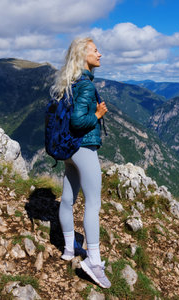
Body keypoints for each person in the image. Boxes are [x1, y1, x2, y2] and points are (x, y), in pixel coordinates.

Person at [50, 37, 111, 289]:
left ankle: (67, 248)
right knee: (93, 204)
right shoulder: (85, 85)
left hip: (69, 150)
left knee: (67, 198)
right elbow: (77, 122)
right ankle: (93, 262)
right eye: (96, 51)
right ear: (83, 55)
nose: (100, 54)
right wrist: (97, 115)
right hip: (84, 147)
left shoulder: (71, 82)